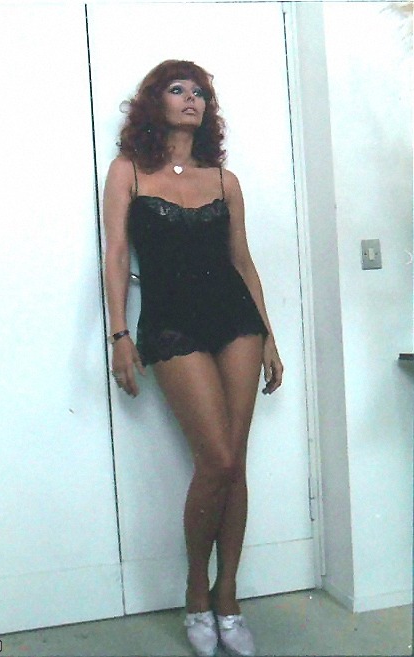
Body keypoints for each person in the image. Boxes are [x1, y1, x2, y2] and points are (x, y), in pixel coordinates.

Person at [103, 60, 283, 657]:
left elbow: (242, 260)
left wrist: (270, 336)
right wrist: (119, 334)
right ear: (154, 102)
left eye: (200, 92)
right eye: (177, 89)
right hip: (171, 323)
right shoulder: (129, 171)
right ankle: (195, 593)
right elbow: (115, 255)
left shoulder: (224, 180)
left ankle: (227, 598)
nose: (191, 99)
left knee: (236, 463)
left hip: (236, 321)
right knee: (217, 458)